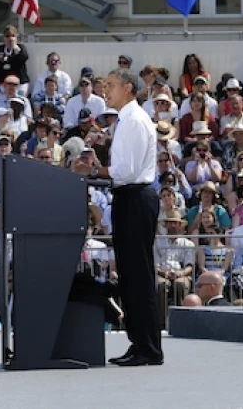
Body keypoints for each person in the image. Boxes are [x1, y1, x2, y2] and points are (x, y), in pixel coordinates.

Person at [71, 68, 162, 367]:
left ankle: (148, 347)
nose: (105, 90)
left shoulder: (133, 120)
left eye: (110, 85)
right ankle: (140, 343)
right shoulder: (125, 120)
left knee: (138, 275)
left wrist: (94, 171)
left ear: (128, 88)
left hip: (135, 197)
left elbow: (126, 172)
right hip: (129, 198)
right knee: (131, 274)